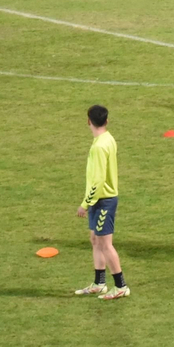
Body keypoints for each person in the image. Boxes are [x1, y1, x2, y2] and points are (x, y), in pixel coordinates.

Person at [74, 104, 129, 299]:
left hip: (103, 200)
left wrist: (85, 204)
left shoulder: (99, 146)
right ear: (106, 121)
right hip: (102, 199)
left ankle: (121, 286)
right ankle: (99, 283)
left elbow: (97, 182)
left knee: (106, 244)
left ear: (89, 121)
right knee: (95, 240)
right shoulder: (108, 138)